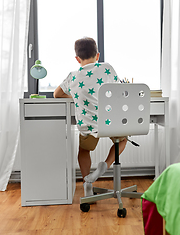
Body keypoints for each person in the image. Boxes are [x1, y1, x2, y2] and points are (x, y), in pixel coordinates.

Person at [54, 37, 127, 197]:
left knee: (84, 150)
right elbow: (119, 90)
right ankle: (105, 166)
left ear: (77, 58)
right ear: (97, 55)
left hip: (88, 127)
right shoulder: (107, 68)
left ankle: (87, 183)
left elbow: (57, 94)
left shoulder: (72, 76)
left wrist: (76, 97)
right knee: (122, 140)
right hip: (110, 123)